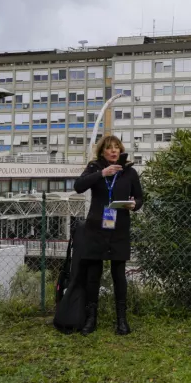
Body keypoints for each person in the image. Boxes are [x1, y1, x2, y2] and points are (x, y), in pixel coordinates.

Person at [73, 134, 145, 336]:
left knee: (119, 275)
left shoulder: (129, 171)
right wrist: (102, 173)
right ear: (102, 151)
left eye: (116, 147)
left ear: (121, 150)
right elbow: (78, 187)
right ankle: (91, 319)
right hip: (96, 228)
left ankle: (122, 320)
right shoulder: (95, 167)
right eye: (109, 148)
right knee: (93, 275)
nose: (113, 151)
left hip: (119, 227)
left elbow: (139, 198)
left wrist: (134, 205)